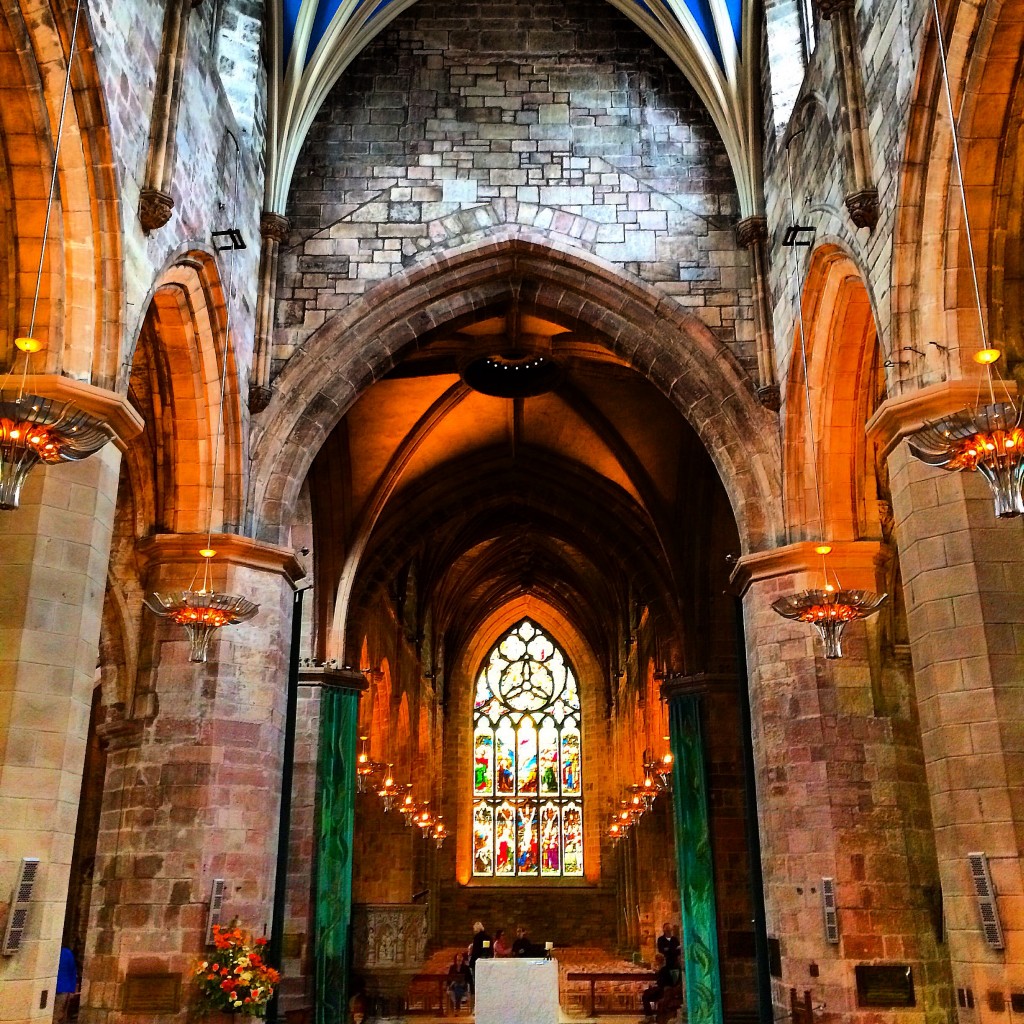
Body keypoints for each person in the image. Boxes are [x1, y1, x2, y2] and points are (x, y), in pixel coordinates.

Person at [641, 954, 676, 1021]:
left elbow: (661, 983)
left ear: (657, 961)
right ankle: (649, 1015)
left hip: (662, 991)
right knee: (646, 993)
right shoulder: (664, 969)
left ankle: (649, 1016)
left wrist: (654, 985)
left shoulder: (663, 970)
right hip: (664, 990)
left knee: (645, 996)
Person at [54, 945, 78, 1024]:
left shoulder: (56, 952)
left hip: (58, 988)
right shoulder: (67, 953)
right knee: (60, 1015)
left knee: (56, 1016)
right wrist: (72, 989)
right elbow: (73, 972)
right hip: (64, 988)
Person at [467, 920, 492, 992]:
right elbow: (490, 950)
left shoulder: (477, 938)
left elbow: (475, 951)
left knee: (476, 980)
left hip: (477, 962)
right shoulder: (488, 937)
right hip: (487, 961)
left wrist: (471, 962)